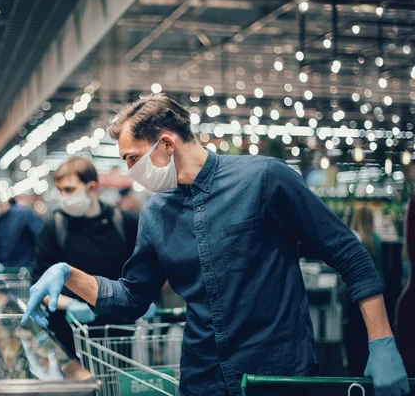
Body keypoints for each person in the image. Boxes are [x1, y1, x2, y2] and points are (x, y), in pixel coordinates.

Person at [24, 94, 410, 396]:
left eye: (132, 158)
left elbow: (349, 254)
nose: (129, 172)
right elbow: (132, 297)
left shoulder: (265, 179)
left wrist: (382, 341)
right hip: (202, 378)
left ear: (165, 143)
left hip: (275, 377)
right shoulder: (157, 213)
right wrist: (68, 275)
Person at [32, 157, 141, 356]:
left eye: (70, 189)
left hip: (117, 332)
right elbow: (41, 284)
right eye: (60, 190)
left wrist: (146, 299)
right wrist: (70, 304)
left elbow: (139, 273)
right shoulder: (54, 226)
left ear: (91, 188)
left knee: (114, 383)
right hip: (69, 330)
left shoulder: (124, 222)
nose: (63, 196)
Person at [346, 205, 384, 377]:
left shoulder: (351, 240)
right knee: (370, 339)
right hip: (377, 298)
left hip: (354, 297)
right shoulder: (377, 240)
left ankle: (355, 375)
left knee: (354, 337)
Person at [0, 179, 43, 273]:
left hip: (24, 274)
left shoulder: (23, 215)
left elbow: (43, 240)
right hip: (0, 275)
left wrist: (39, 265)